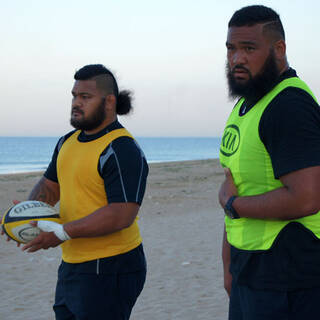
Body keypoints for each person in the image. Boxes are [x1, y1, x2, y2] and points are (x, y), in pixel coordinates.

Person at [18, 64, 148, 319]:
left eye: (85, 97)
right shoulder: (67, 141)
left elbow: (122, 214)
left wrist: (62, 232)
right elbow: (49, 187)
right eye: (74, 96)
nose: (76, 103)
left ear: (109, 102)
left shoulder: (121, 148)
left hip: (112, 265)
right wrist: (23, 214)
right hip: (72, 263)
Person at [219, 5, 320, 320]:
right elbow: (234, 181)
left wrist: (234, 204)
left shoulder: (289, 104)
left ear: (279, 49)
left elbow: (306, 198)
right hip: (250, 270)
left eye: (249, 48)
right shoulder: (246, 104)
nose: (237, 59)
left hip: (290, 274)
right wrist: (229, 267)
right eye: (231, 49)